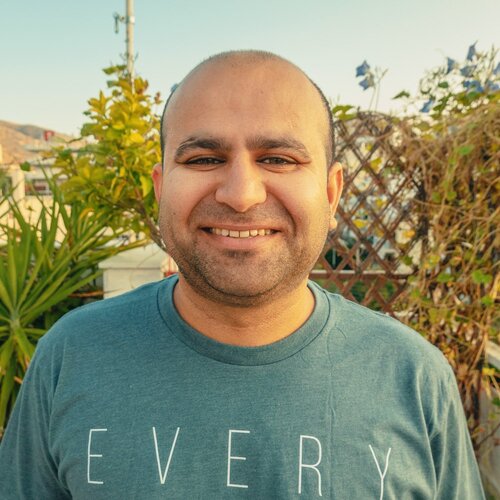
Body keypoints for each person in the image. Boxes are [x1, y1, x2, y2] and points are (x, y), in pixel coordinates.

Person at [0, 51, 485, 499]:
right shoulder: (72, 356)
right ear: (162, 189)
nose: (241, 194)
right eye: (204, 159)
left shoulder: (414, 378)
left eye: (278, 159)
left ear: (332, 193)